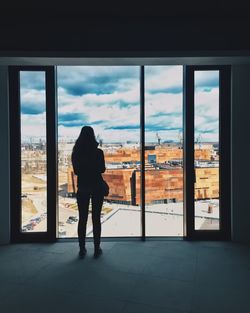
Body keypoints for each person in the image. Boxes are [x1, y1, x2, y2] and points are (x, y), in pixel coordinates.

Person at [71, 126, 106, 258]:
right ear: (93, 136)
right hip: (97, 186)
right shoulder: (98, 152)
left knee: (82, 219)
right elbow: (102, 169)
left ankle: (82, 249)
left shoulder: (76, 153)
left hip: (83, 187)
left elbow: (77, 171)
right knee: (96, 218)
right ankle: (97, 248)